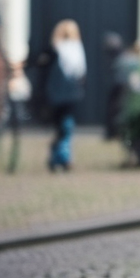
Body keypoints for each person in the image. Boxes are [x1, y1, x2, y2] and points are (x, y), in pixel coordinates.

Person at [44, 19, 87, 172]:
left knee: (61, 127)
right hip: (70, 94)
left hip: (57, 94)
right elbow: (81, 71)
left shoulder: (55, 49)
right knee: (66, 126)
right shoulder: (76, 48)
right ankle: (63, 157)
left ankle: (59, 157)